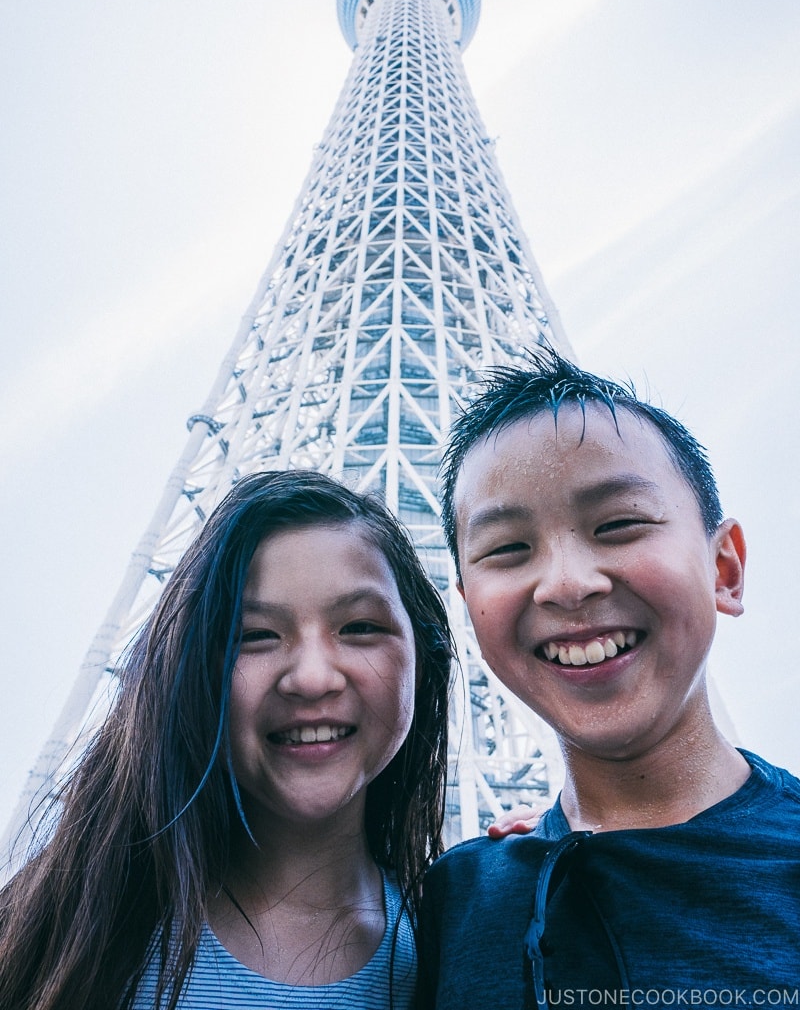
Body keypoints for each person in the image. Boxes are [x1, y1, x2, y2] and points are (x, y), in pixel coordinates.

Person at [417, 349, 800, 1008]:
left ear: (725, 569)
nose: (568, 583)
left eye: (618, 525)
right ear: (470, 609)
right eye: (508, 549)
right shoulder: (448, 906)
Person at [0, 469, 454, 1010]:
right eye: (255, 635)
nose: (312, 677)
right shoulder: (53, 936)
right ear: (189, 671)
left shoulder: (468, 949)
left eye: (359, 627)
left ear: (423, 661)